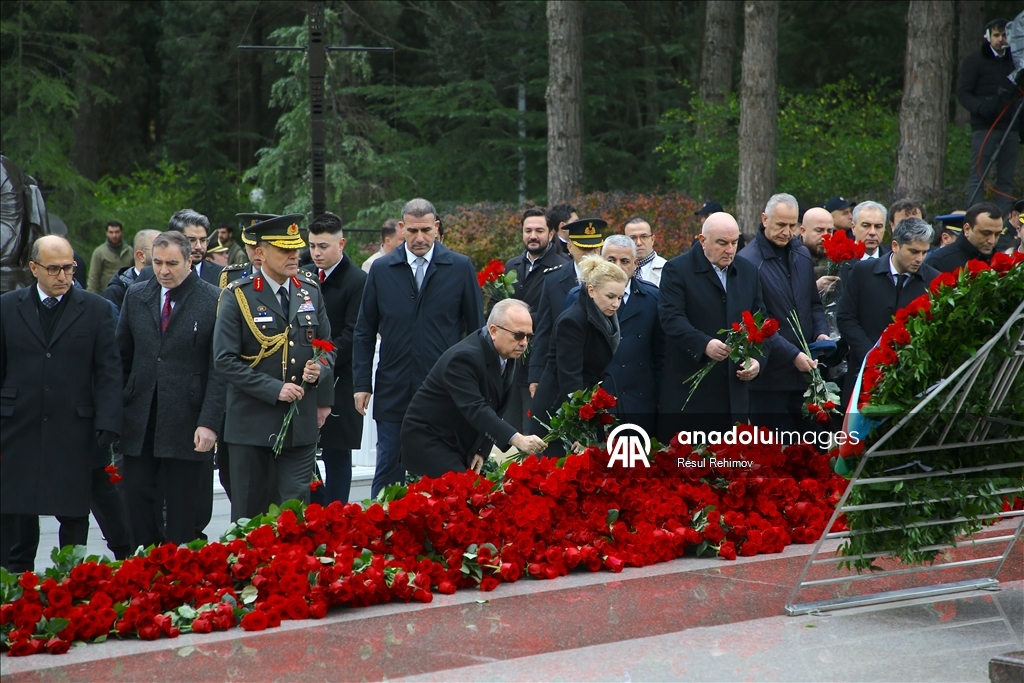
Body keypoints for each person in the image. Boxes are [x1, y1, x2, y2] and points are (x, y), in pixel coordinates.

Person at [1, 235, 122, 570]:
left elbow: (109, 371)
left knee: (73, 509)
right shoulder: (8, 307)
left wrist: (109, 421)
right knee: (16, 509)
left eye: (68, 267)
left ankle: (72, 579)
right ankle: (13, 583)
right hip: (18, 425)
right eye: (53, 269)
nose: (63, 276)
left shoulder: (95, 310)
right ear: (34, 268)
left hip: (74, 426)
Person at [353, 198, 483, 497]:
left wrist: (474, 385)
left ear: (437, 227)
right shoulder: (382, 269)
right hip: (394, 387)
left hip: (445, 390)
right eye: (412, 230)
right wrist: (361, 383)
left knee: (445, 474)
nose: (419, 237)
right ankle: (380, 533)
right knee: (388, 468)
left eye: (426, 229)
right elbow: (364, 330)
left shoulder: (459, 267)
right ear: (401, 228)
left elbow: (477, 332)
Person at [213, 214, 335, 521]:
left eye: (296, 247)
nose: (294, 255)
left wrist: (320, 368)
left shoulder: (309, 289)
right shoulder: (237, 295)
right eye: (284, 249)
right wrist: (275, 389)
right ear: (260, 253)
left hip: (299, 427)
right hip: (252, 424)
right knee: (251, 517)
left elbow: (327, 346)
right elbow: (224, 360)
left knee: (293, 514)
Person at [116, 231, 225, 546]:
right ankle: (144, 568)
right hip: (139, 417)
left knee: (181, 509)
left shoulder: (212, 299)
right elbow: (120, 357)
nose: (164, 270)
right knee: (135, 497)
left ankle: (178, 576)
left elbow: (219, 369)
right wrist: (116, 411)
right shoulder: (136, 295)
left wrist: (209, 422)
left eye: (172, 263)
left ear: (190, 260)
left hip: (187, 420)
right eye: (158, 262)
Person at [402, 299, 548, 477]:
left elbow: (497, 406)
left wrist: (482, 449)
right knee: (462, 494)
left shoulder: (508, 354)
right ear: (494, 331)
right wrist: (518, 439)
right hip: (429, 439)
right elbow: (475, 408)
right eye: (518, 335)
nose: (524, 343)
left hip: (458, 439)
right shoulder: (464, 358)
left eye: (529, 336)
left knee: (467, 495)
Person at [657, 213, 766, 442]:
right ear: (702, 240)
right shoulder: (677, 270)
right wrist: (703, 343)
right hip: (692, 393)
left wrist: (757, 360)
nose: (729, 250)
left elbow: (760, 323)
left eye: (734, 242)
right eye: (722, 243)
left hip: (734, 394)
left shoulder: (748, 272)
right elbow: (671, 318)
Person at [739, 194, 826, 431]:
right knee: (771, 452)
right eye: (780, 225)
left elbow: (813, 303)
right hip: (770, 378)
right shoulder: (747, 262)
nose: (787, 232)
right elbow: (756, 322)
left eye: (792, 225)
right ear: (764, 219)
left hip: (807, 374)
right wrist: (792, 355)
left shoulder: (801, 254)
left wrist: (821, 333)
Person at [564, 235, 664, 434]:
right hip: (597, 400)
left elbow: (660, 354)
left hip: (639, 401)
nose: (618, 266)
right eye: (611, 260)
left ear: (635, 264)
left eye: (625, 261)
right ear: (601, 260)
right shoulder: (580, 297)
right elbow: (570, 357)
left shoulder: (652, 298)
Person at [838, 218, 940, 405]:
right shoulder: (863, 271)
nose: (920, 258)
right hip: (862, 374)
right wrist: (870, 356)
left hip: (908, 382)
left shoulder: (934, 280)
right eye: (913, 251)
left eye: (925, 252)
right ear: (895, 245)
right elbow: (846, 318)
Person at [531, 256, 627, 453]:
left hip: (583, 402)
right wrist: (582, 430)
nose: (616, 304)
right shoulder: (573, 321)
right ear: (591, 290)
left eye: (619, 297)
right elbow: (570, 378)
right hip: (559, 409)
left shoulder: (604, 316)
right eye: (610, 296)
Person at [304, 212, 367, 505]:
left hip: (340, 379)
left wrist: (321, 361)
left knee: (337, 453)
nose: (317, 252)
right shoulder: (302, 275)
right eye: (313, 245)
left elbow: (355, 333)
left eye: (324, 246)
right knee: (303, 451)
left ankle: (338, 514)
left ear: (341, 243)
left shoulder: (358, 281)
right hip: (302, 375)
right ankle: (317, 508)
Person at [502, 207, 569, 432]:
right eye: (528, 230)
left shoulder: (562, 268)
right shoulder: (512, 265)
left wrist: (515, 321)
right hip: (509, 363)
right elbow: (496, 304)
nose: (533, 236)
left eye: (539, 230)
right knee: (507, 431)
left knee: (534, 431)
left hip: (539, 365)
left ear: (551, 234)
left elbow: (556, 316)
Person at [527, 218, 605, 404]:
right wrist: (536, 374)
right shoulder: (554, 280)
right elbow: (544, 330)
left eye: (594, 249)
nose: (589, 254)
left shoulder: (611, 280)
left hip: (601, 372)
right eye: (583, 249)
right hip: (561, 371)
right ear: (570, 247)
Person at [957, 18, 1020, 216]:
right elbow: (964, 94)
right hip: (984, 127)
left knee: (1006, 180)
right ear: (988, 37)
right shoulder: (974, 61)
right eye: (996, 35)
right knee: (979, 176)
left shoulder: (1016, 63)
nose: (1001, 40)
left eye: (1004, 35)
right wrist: (981, 108)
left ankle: (1004, 227)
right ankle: (976, 217)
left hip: (1010, 126)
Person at [925, 202, 1003, 272]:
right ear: (967, 229)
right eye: (986, 233)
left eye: (997, 234)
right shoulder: (940, 261)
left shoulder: (1003, 262)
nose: (992, 241)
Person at [102, 229, 158, 311]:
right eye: (157, 247)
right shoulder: (115, 293)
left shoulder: (168, 285)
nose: (164, 252)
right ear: (141, 256)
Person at [219, 213, 273, 288]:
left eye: (264, 247)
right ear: (246, 245)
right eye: (253, 246)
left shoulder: (287, 276)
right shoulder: (230, 277)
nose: (258, 253)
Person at [88, 220, 132, 293]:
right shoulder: (100, 252)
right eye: (111, 232)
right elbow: (94, 276)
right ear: (106, 233)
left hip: (126, 293)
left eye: (117, 232)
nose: (114, 235)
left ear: (122, 233)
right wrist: (91, 296)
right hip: (106, 294)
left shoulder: (130, 251)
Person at [800, 207, 837, 293]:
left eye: (829, 231)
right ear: (803, 231)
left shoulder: (839, 258)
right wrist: (814, 288)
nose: (825, 237)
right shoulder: (789, 256)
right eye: (819, 230)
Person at [624, 216, 667, 286]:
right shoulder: (616, 269)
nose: (638, 243)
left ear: (652, 240)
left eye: (644, 237)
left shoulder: (667, 269)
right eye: (633, 238)